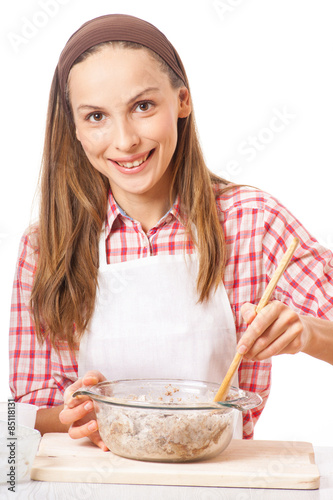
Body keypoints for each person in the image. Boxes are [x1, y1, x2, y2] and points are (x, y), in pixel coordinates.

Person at [9, 14, 333, 452]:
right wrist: (72, 416)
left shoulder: (252, 222)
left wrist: (308, 334)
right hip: (99, 485)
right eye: (97, 116)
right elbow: (21, 414)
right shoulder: (46, 246)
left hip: (221, 482)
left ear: (182, 101)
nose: (124, 140)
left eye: (143, 107)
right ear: (75, 128)